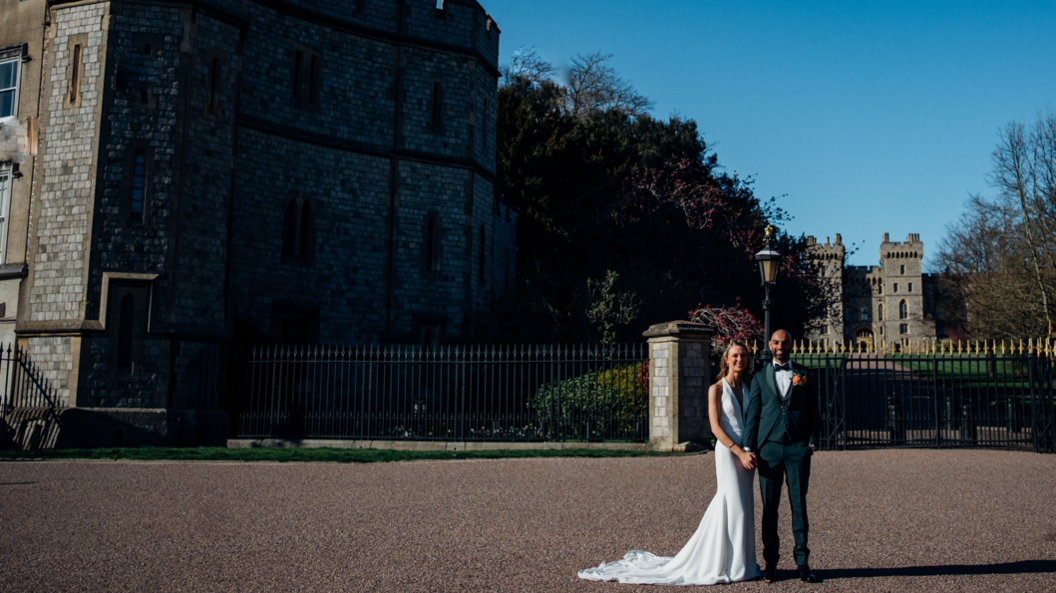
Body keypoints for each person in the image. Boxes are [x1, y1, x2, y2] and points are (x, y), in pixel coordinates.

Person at [577, 341, 761, 586]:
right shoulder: (715, 389)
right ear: (726, 359)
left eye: (744, 355)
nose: (740, 359)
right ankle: (726, 565)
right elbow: (715, 427)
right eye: (735, 355)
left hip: (747, 455)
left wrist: (751, 450)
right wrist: (739, 452)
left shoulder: (749, 387)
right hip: (729, 453)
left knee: (745, 507)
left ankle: (742, 563)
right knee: (732, 503)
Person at [742, 330, 820, 584]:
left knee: (799, 505)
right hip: (769, 450)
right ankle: (771, 564)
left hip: (797, 448)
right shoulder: (759, 376)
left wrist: (811, 441)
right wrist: (748, 447)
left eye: (785, 342)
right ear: (770, 345)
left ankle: (802, 562)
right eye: (776, 342)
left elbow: (813, 410)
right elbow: (753, 414)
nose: (780, 346)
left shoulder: (805, 374)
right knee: (769, 508)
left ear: (791, 345)